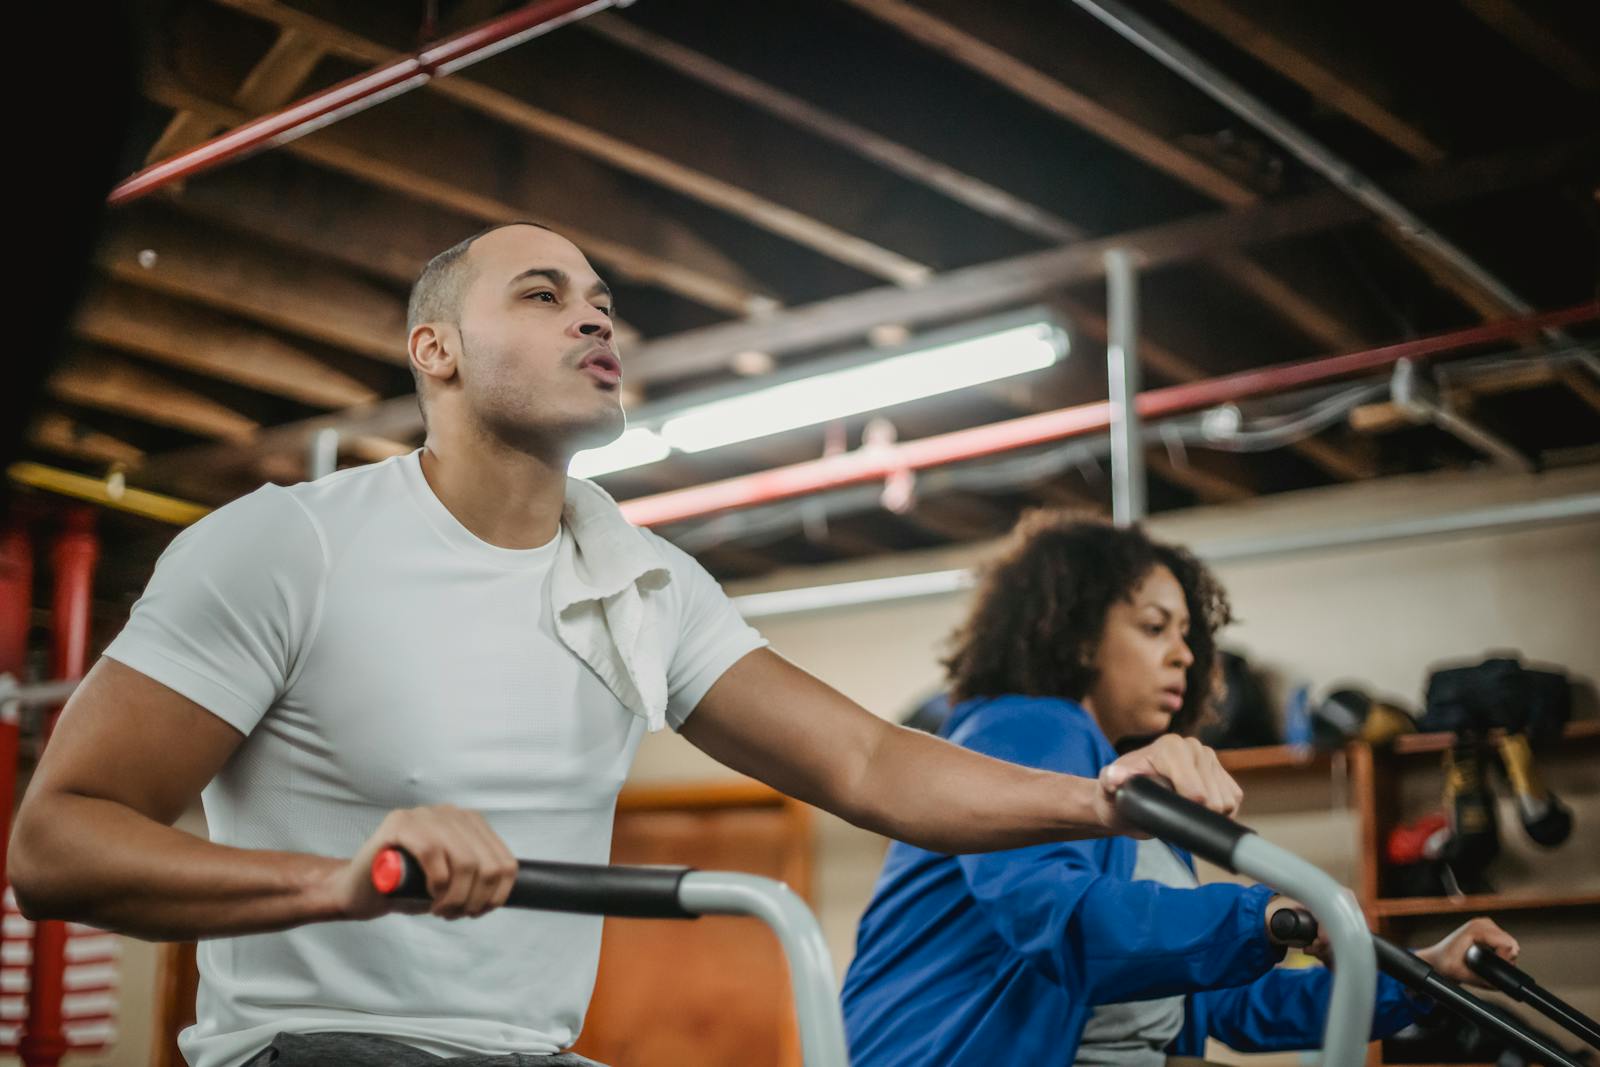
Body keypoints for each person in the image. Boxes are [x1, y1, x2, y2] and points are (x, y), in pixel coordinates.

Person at [7, 223, 1244, 1067]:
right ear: (431, 350)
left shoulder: (642, 577)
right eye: (541, 295)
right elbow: (58, 844)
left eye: (603, 303)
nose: (594, 318)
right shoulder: (287, 546)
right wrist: (332, 881)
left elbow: (872, 766)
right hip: (316, 1046)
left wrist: (1102, 799)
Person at [841, 512, 1521, 1066]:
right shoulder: (1023, 726)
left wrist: (1423, 977)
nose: (1185, 654)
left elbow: (1223, 1006)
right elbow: (1062, 924)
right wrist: (1264, 916)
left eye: (1188, 634)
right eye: (1154, 626)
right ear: (1077, 636)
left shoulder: (1125, 784)